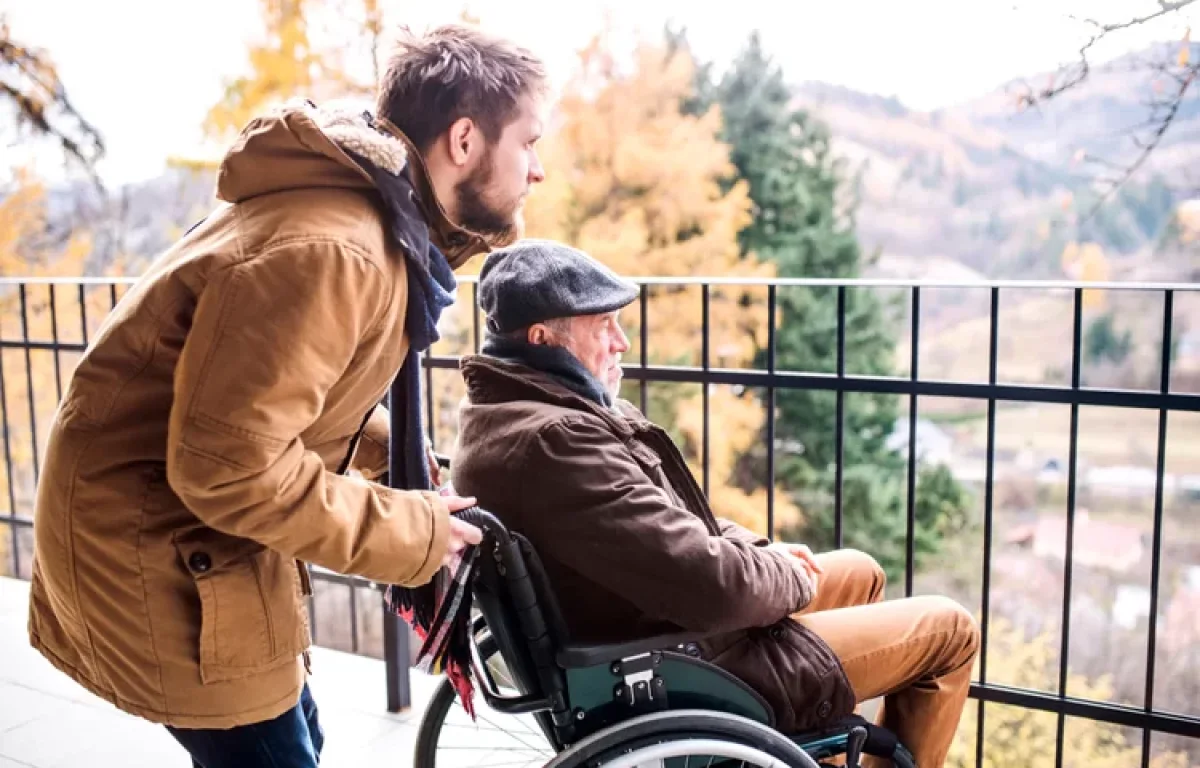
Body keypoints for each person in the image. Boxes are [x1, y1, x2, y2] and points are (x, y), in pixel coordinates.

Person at [27, 24, 547, 768]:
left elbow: (268, 395)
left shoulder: (368, 221)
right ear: (464, 140)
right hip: (155, 542)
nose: (538, 172)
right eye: (529, 143)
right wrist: (416, 530)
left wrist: (382, 453)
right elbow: (229, 470)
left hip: (188, 528)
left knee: (299, 731)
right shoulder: (336, 251)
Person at [450, 239, 981, 768]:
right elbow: (709, 583)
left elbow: (672, 523)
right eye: (603, 325)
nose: (622, 342)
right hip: (682, 660)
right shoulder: (557, 439)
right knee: (951, 630)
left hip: (661, 628)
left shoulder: (516, 414)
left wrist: (762, 552)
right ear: (542, 339)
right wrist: (785, 579)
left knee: (860, 572)